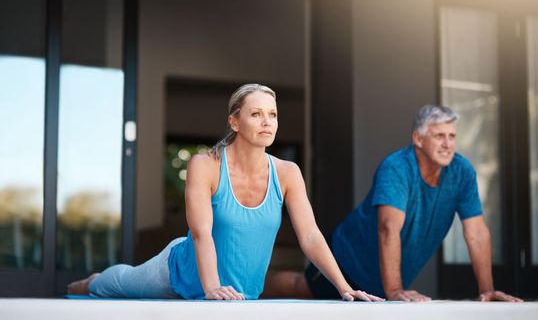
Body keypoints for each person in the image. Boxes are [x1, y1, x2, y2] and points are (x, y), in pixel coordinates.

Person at [67, 83, 383, 301]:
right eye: (256, 114)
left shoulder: (287, 173)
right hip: (180, 274)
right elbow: (201, 233)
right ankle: (92, 281)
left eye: (272, 114)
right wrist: (212, 289)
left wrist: (344, 288)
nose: (267, 122)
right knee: (119, 284)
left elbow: (311, 237)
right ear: (234, 121)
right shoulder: (205, 165)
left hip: (237, 294)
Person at [264, 105, 523, 302]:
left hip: (385, 276)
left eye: (452, 136)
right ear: (418, 139)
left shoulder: (462, 172)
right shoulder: (397, 168)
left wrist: (487, 290)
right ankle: (253, 294)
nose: (448, 144)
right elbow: (388, 228)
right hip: (348, 259)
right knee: (302, 287)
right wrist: (395, 290)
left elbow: (476, 232)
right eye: (439, 136)